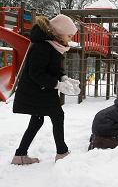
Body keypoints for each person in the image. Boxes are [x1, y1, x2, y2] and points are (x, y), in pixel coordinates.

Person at [11, 14, 80, 165]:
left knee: (37, 121)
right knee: (57, 116)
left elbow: (53, 68)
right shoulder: (42, 46)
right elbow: (36, 73)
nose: (70, 38)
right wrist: (57, 84)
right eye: (69, 35)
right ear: (59, 31)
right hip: (37, 91)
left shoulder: (52, 45)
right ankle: (62, 152)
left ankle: (20, 155)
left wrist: (64, 78)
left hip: (41, 90)